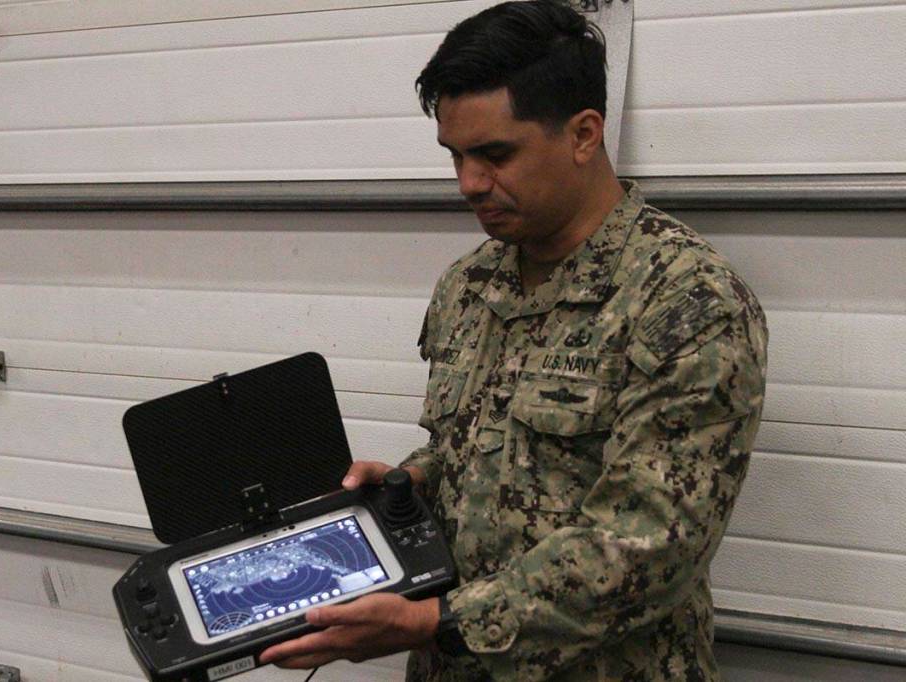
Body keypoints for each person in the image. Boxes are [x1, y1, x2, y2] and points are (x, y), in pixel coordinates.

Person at [260, 1, 768, 679]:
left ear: (585, 134)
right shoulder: (471, 284)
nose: (469, 184)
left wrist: (438, 622)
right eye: (456, 156)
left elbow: (651, 545)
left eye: (495, 155)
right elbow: (475, 453)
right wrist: (412, 481)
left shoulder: (685, 300)